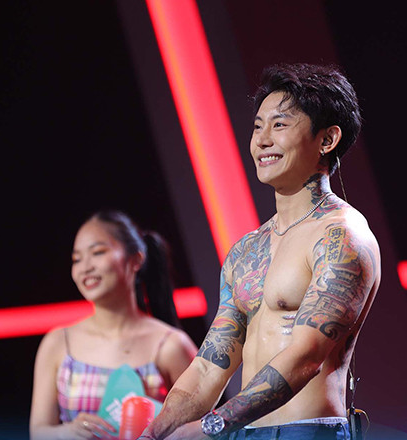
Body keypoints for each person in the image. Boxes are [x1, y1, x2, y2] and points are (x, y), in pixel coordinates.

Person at [138, 63, 381, 440]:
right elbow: (209, 367)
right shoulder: (246, 251)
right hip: (240, 431)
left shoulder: (342, 236)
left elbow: (306, 358)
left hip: (305, 432)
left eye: (279, 125)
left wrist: (212, 426)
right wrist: (153, 435)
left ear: (327, 139)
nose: (262, 140)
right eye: (257, 126)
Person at [30, 210, 198, 440]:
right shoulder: (58, 342)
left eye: (98, 252)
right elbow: (38, 432)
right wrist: (68, 433)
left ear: (135, 259)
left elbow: (200, 431)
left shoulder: (170, 345)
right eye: (77, 259)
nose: (85, 267)